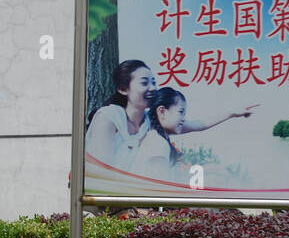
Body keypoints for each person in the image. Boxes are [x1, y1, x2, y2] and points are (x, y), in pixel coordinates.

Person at [85, 59, 260, 172]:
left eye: (154, 82)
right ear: (123, 89)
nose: (152, 88)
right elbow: (101, 170)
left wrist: (232, 113)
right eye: (145, 83)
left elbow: (200, 124)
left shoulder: (149, 122)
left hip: (130, 201)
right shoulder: (108, 117)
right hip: (105, 205)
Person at [131, 87, 187, 179]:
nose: (184, 119)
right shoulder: (157, 142)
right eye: (181, 112)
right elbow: (157, 186)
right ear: (162, 112)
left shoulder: (153, 138)